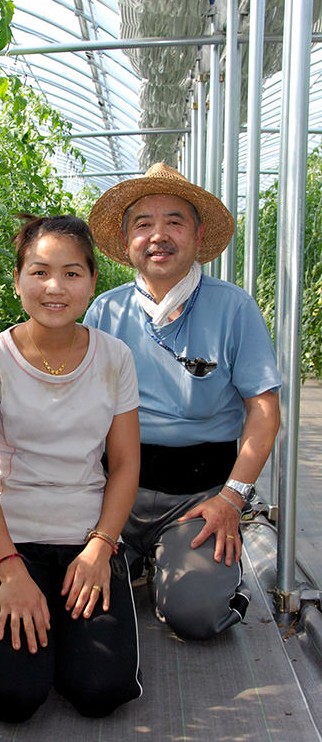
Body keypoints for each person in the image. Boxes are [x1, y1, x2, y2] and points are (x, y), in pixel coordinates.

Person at [0, 214, 143, 723]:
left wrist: (101, 548)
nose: (54, 287)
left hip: (86, 542)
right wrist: (10, 571)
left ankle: (64, 636)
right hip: (8, 543)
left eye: (72, 273)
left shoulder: (114, 357)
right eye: (39, 272)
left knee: (102, 691)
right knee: (12, 697)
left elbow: (125, 465)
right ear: (17, 282)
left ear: (93, 283)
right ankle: (19, 629)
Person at [84, 162, 281, 641]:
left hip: (197, 500)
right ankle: (138, 559)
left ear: (197, 234)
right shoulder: (104, 310)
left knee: (196, 616)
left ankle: (198, 573)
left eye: (174, 221)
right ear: (127, 240)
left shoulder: (233, 308)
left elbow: (264, 411)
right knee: (80, 601)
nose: (158, 236)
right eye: (143, 224)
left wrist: (232, 497)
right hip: (113, 497)